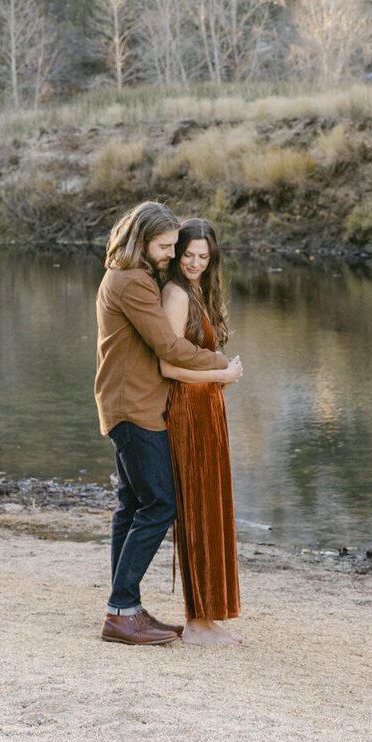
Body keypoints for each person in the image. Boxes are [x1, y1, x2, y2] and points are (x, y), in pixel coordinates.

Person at [94, 200, 237, 645]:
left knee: (132, 506)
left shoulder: (130, 276)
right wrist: (220, 366)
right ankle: (121, 611)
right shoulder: (134, 282)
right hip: (135, 407)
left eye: (177, 247)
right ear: (141, 240)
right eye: (166, 246)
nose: (172, 256)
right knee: (161, 504)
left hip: (129, 404)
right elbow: (169, 348)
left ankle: (127, 606)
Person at [160, 218, 243, 645]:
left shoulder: (197, 291)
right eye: (188, 255)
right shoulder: (175, 295)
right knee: (198, 509)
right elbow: (168, 367)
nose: (194, 263)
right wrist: (220, 374)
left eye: (203, 257)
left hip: (208, 407)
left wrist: (221, 376)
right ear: (176, 254)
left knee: (214, 506)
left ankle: (209, 616)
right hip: (189, 411)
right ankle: (196, 622)